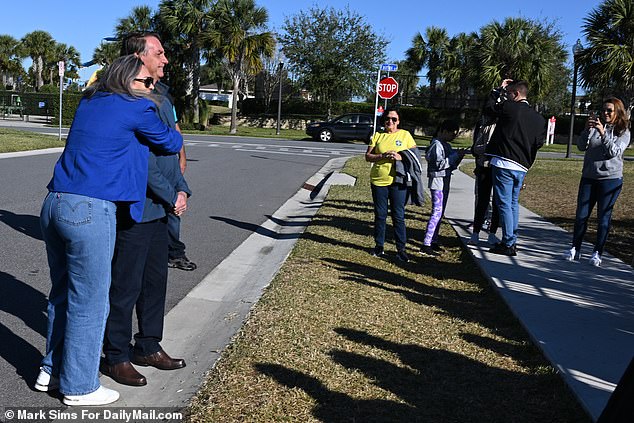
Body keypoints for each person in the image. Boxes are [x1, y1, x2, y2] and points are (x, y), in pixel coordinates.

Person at [35, 55, 183, 405]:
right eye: (147, 82)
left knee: (62, 294)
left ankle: (51, 370)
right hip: (90, 209)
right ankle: (79, 387)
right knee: (91, 302)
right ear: (131, 82)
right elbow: (171, 143)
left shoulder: (89, 102)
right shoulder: (137, 108)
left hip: (55, 201)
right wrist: (151, 101)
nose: (153, 88)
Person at [101, 33, 190, 387]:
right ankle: (117, 356)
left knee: (156, 282)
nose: (166, 58)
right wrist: (171, 194)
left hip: (162, 205)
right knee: (126, 285)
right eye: (159, 52)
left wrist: (181, 188)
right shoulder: (131, 97)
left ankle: (149, 346)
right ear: (139, 57)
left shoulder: (162, 96)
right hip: (136, 206)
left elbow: (171, 153)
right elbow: (143, 162)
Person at [564, 97, 630, 267]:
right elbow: (580, 146)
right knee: (581, 215)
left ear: (618, 112)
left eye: (609, 110)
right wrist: (586, 130)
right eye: (603, 110)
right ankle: (575, 248)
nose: (605, 113)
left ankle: (597, 252)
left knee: (603, 218)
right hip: (589, 177)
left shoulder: (623, 132)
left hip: (610, 180)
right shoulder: (595, 127)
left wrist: (603, 133)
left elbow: (614, 152)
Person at [484, 79, 545, 256]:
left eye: (509, 93)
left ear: (516, 94)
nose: (507, 96)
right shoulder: (539, 119)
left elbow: (488, 109)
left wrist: (497, 91)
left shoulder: (510, 108)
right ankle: (512, 239)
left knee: (503, 203)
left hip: (504, 162)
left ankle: (508, 242)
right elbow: (539, 143)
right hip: (522, 165)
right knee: (512, 204)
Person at [365, 108, 417, 263]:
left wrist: (400, 156)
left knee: (398, 215)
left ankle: (401, 249)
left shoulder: (405, 135)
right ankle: (379, 246)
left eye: (394, 119)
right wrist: (382, 156)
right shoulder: (378, 135)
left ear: (398, 121)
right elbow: (368, 156)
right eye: (388, 118)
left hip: (398, 181)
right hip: (379, 180)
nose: (390, 122)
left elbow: (414, 156)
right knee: (380, 215)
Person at [421, 120, 466, 256]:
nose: (453, 136)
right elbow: (439, 164)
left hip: (445, 180)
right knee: (436, 212)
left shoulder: (445, 145)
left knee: (440, 213)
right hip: (437, 182)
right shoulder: (436, 145)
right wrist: (454, 156)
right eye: (452, 133)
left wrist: (458, 157)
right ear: (443, 131)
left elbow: (451, 165)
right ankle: (426, 243)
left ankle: (433, 240)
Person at [468, 113, 500, 246]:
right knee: (482, 201)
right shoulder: (486, 126)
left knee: (498, 203)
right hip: (485, 167)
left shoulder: (506, 126)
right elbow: (476, 147)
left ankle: (492, 233)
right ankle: (475, 233)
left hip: (499, 168)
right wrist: (490, 148)